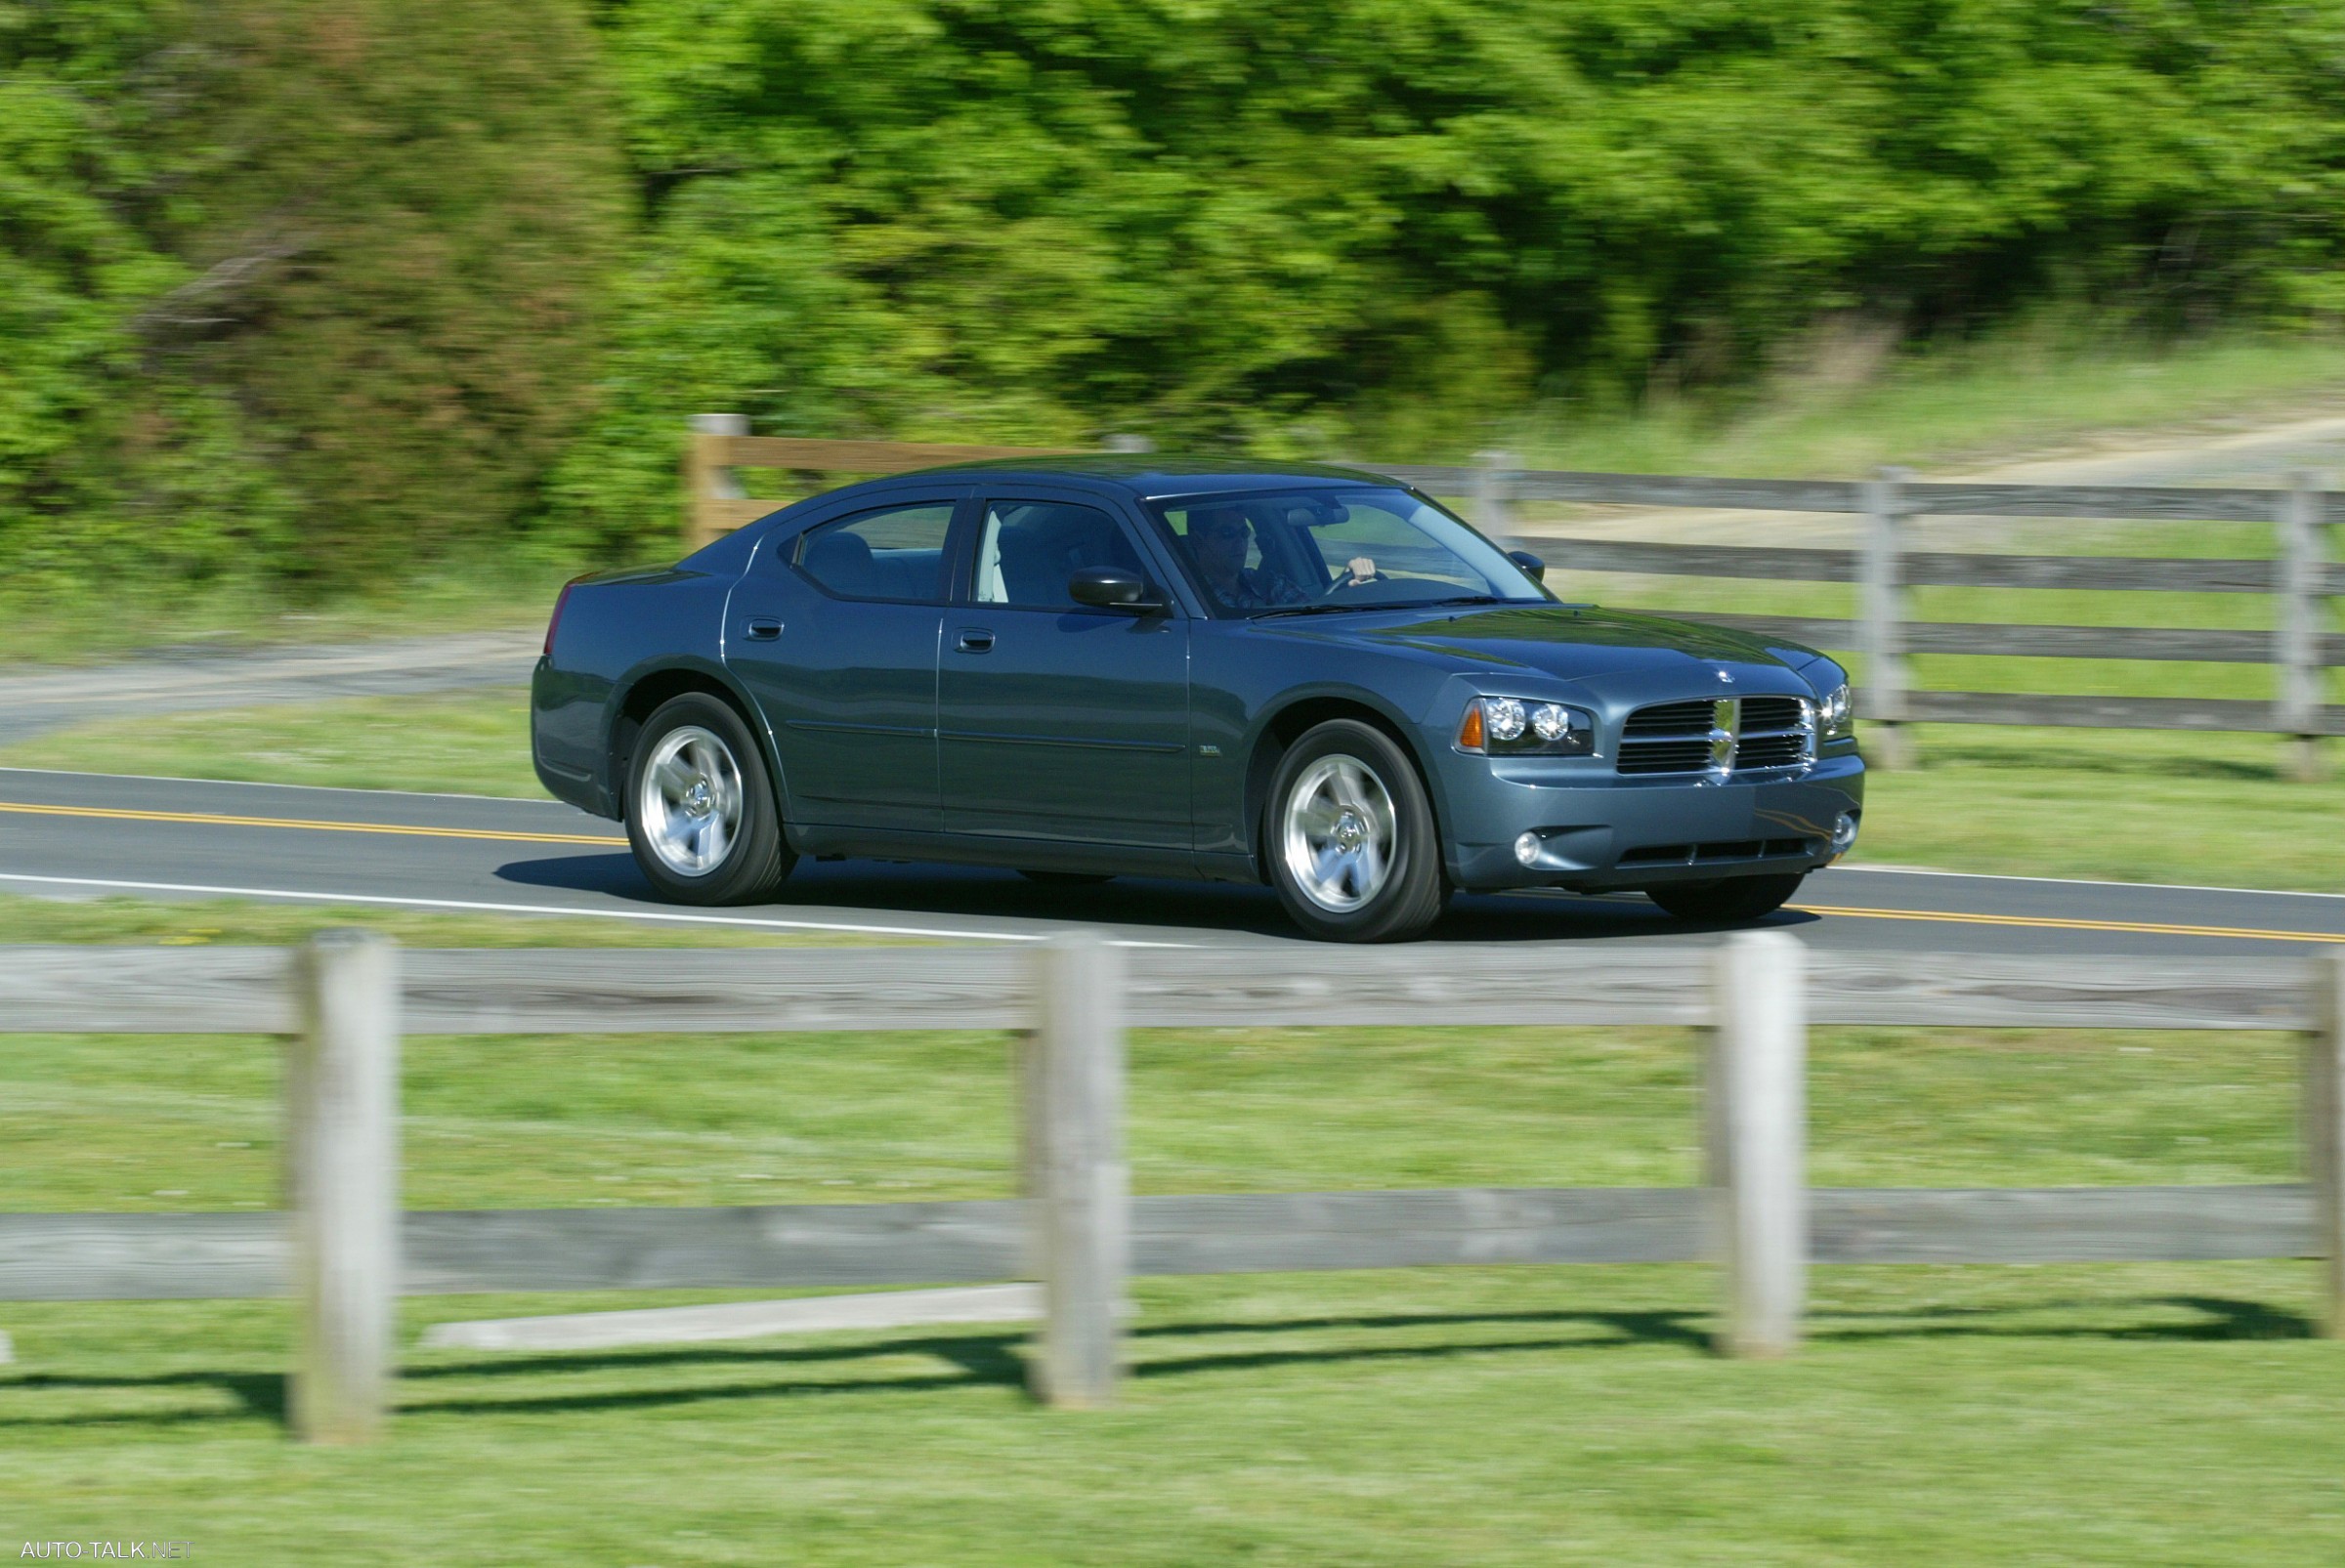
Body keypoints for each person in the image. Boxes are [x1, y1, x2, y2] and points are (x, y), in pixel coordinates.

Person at [1186, 505, 1374, 609]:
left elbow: (1313, 615)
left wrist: (1347, 587)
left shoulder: (1269, 583)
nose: (1239, 541)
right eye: (1227, 533)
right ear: (1197, 540)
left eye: (1244, 532)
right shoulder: (1189, 596)